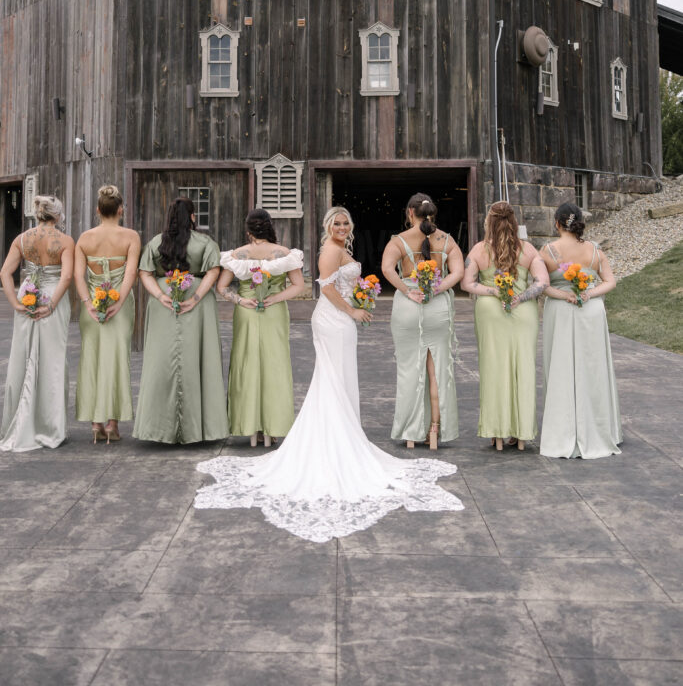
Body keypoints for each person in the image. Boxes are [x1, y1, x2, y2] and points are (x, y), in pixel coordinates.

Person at [194, 206, 464, 543]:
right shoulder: (329, 251)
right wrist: (352, 308)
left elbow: (342, 284)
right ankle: (335, 443)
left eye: (345, 222)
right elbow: (327, 288)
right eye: (336, 222)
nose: (341, 226)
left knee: (339, 379)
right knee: (332, 379)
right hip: (333, 318)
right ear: (327, 226)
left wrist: (360, 297)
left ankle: (345, 434)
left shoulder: (344, 250)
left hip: (343, 319)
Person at [133, 197, 228, 444]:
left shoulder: (156, 241)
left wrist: (160, 295)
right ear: (192, 217)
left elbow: (145, 272)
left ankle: (158, 428)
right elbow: (213, 271)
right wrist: (196, 297)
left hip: (163, 304)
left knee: (161, 361)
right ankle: (199, 429)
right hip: (197, 304)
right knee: (198, 359)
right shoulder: (205, 242)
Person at [461, 201, 548, 452]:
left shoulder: (479, 250)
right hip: (523, 313)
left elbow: (468, 284)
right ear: (513, 221)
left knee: (494, 369)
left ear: (489, 221)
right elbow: (541, 282)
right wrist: (519, 297)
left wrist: (494, 292)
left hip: (490, 310)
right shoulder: (528, 249)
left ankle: (496, 432)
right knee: (524, 369)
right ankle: (520, 435)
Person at [539, 202, 622, 459]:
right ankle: (598, 429)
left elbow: (542, 285)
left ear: (556, 223)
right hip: (591, 313)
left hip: (562, 312)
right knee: (593, 370)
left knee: (561, 368)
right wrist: (587, 294)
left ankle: (562, 431)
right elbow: (610, 281)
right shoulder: (594, 250)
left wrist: (566, 295)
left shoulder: (549, 251)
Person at [381, 193, 463, 449]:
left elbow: (386, 269)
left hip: (409, 306)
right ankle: (436, 431)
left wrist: (407, 290)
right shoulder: (447, 240)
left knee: (409, 370)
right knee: (438, 370)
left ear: (409, 213)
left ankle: (411, 432)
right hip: (438, 308)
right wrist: (438, 289)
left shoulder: (399, 241)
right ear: (432, 214)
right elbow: (458, 272)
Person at [217, 208, 305, 446]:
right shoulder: (284, 253)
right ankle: (272, 427)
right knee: (274, 365)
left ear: (248, 231)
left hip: (246, 312)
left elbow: (222, 288)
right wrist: (275, 298)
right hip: (274, 311)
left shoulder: (237, 255)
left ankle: (250, 427)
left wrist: (241, 300)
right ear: (270, 227)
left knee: (246, 364)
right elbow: (298, 286)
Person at [0, 195, 74, 451]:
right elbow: (66, 277)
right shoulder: (65, 241)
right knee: (53, 361)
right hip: (53, 296)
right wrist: (52, 304)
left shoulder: (22, 239)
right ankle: (50, 428)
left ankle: (18, 424)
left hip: (28, 294)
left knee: (21, 358)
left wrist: (16, 304)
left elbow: (5, 273)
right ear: (57, 215)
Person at [74, 185, 141, 444]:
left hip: (90, 305)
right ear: (120, 210)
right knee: (117, 360)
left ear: (98, 210)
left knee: (91, 359)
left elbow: (79, 276)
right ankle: (113, 424)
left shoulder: (85, 238)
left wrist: (88, 302)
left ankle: (95, 423)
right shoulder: (131, 236)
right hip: (120, 307)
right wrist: (119, 302)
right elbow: (131, 274)